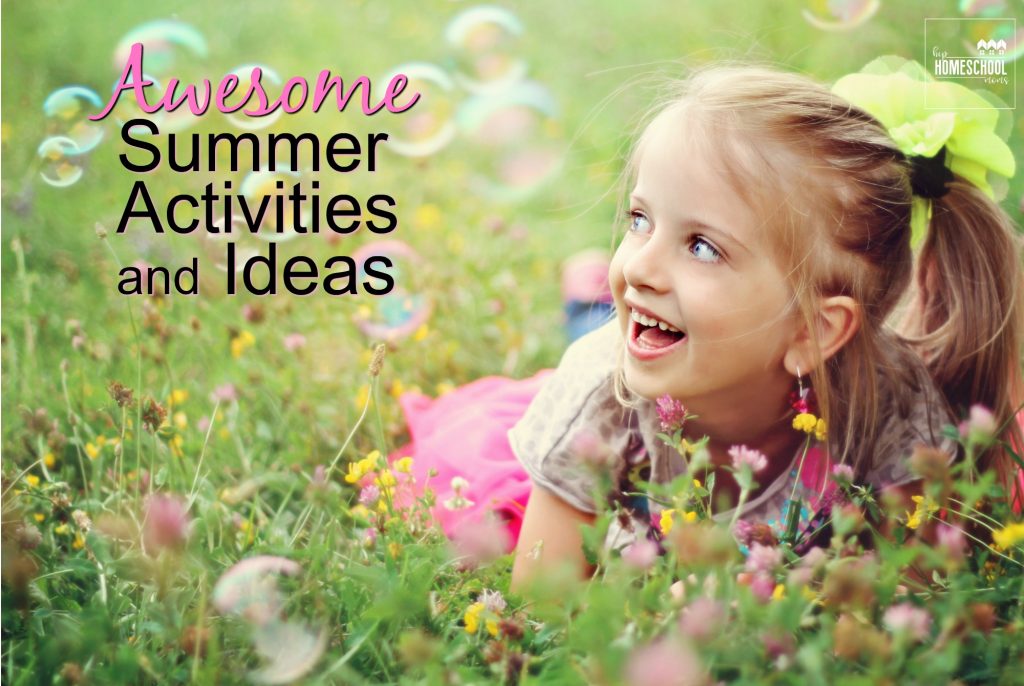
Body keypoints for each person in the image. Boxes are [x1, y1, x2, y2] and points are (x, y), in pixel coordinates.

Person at [388, 58, 1024, 593]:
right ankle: (584, 301)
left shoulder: (893, 419)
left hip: (671, 343)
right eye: (640, 219)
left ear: (814, 331)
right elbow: (539, 611)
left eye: (701, 247)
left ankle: (586, 299)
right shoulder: (597, 400)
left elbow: (894, 614)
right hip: (625, 354)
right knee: (592, 338)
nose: (639, 265)